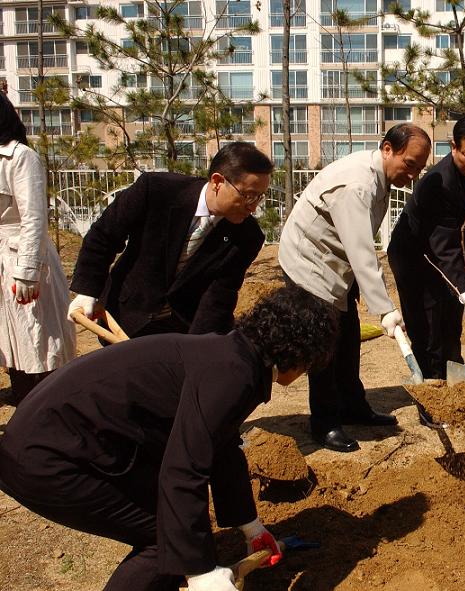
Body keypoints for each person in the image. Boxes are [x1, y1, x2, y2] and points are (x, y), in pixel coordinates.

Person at [0, 284, 339, 591]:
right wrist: (200, 572)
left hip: (62, 439)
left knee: (180, 532)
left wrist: (250, 527)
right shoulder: (234, 375)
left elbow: (221, 445)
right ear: (296, 352)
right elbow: (183, 468)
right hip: (47, 454)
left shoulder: (234, 357)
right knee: (168, 541)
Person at [279, 123, 431, 452]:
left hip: (335, 261)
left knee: (347, 336)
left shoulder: (380, 177)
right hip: (310, 261)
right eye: (410, 165)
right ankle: (324, 422)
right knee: (324, 346)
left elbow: (358, 247)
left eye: (419, 168)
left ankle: (352, 405)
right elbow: (362, 251)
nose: (413, 175)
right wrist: (387, 311)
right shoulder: (357, 183)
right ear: (388, 149)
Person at [68, 141, 272, 338]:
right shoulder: (156, 191)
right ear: (218, 182)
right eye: (248, 196)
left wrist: (198, 347)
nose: (253, 207)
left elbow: (218, 297)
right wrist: (88, 291)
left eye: (259, 197)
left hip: (181, 329)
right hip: (126, 314)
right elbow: (104, 236)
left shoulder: (248, 237)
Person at [387, 114, 465, 380]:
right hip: (415, 257)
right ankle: (433, 387)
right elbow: (444, 248)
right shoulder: (438, 184)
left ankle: (454, 378)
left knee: (450, 321)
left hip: (452, 252)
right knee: (428, 326)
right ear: (453, 147)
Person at [0, 92, 76, 404]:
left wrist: (27, 273)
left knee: (36, 339)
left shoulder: (20, 157)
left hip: (22, 259)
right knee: (11, 340)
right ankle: (22, 395)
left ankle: (44, 404)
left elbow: (34, 217)